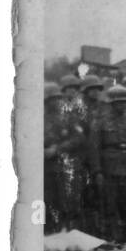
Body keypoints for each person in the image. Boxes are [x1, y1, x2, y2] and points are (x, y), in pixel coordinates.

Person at [88, 86, 126, 243]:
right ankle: (113, 242)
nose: (122, 105)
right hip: (109, 170)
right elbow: (94, 148)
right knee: (110, 209)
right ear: (111, 104)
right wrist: (97, 172)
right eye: (118, 103)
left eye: (124, 102)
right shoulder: (99, 123)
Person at [44, 82, 87, 232]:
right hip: (45, 168)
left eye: (57, 98)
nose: (55, 101)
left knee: (68, 203)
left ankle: (70, 235)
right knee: (48, 202)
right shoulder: (37, 119)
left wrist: (58, 149)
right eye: (51, 99)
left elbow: (79, 138)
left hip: (67, 166)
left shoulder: (69, 117)